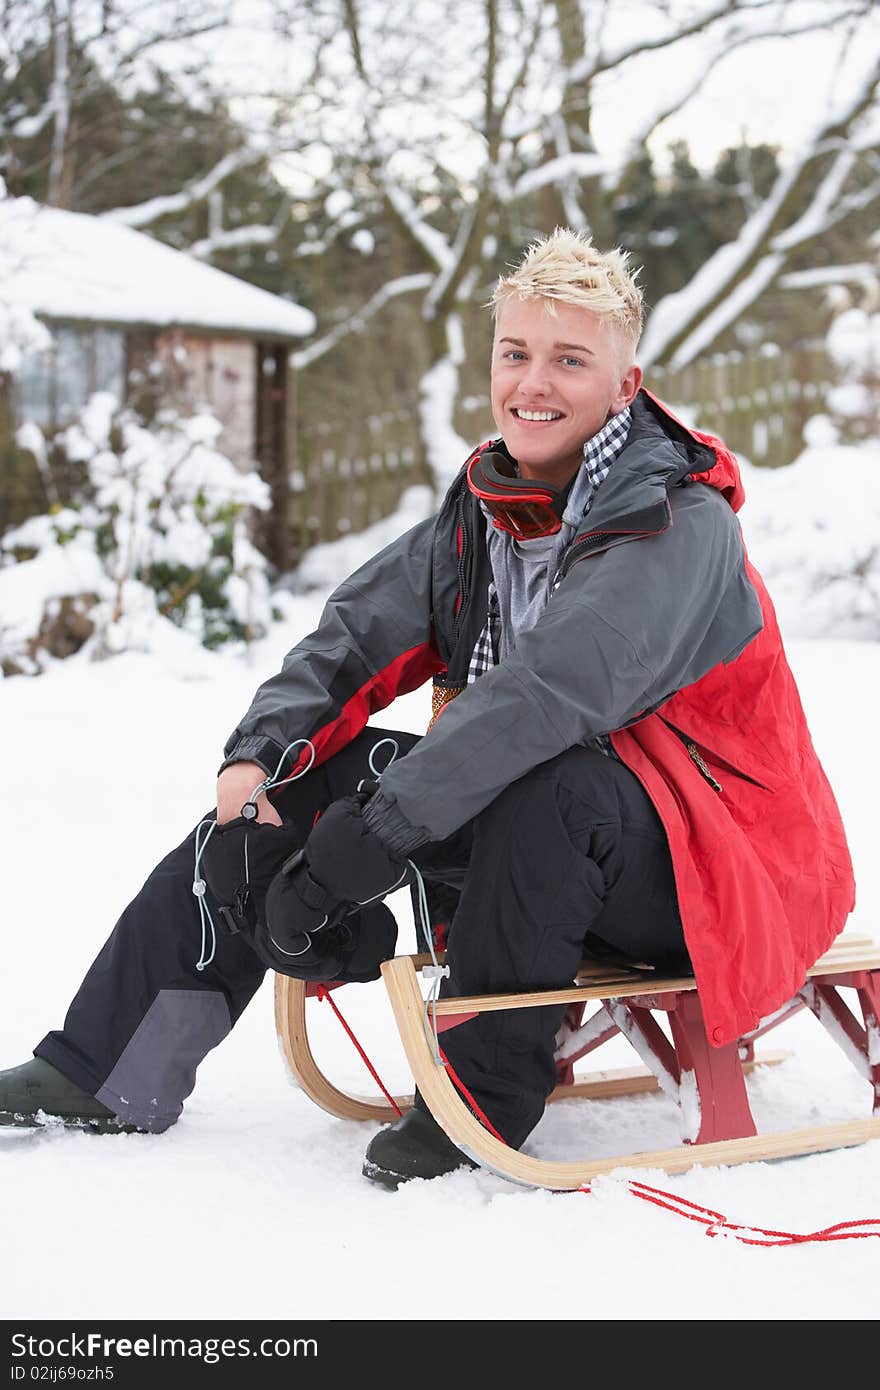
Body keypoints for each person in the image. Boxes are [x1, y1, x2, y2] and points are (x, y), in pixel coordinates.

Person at [0, 228, 855, 1189]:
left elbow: (551, 693)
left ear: (626, 385)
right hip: (552, 846)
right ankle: (107, 1070)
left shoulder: (676, 520)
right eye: (516, 353)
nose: (533, 383)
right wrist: (260, 762)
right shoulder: (486, 511)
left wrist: (372, 839)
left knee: (552, 787)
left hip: (719, 865)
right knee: (294, 793)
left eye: (570, 360)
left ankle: (478, 1100)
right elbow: (355, 637)